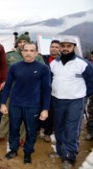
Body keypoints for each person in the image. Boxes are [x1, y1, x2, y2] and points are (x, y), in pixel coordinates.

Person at [0, 42, 51, 164]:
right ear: (22, 52)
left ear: (36, 52)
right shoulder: (14, 67)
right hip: (15, 104)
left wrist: (45, 109)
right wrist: (3, 103)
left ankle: (28, 152)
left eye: (32, 50)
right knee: (14, 129)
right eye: (26, 50)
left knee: (31, 130)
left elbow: (47, 89)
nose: (28, 53)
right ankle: (13, 149)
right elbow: (7, 86)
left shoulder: (43, 68)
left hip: (33, 105)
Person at [50, 37, 93, 169]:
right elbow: (49, 81)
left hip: (75, 101)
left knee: (71, 129)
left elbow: (91, 83)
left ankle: (69, 157)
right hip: (57, 100)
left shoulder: (83, 64)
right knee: (58, 127)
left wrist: (83, 96)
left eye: (69, 46)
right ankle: (60, 151)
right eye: (63, 45)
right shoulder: (53, 64)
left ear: (74, 47)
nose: (65, 48)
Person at [0, 33, 45, 144]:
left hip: (29, 92)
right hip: (12, 90)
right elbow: (3, 70)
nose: (22, 44)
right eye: (20, 42)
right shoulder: (10, 55)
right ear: (17, 43)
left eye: (25, 42)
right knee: (6, 114)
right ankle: (1, 134)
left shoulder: (37, 57)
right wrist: (3, 81)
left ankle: (22, 138)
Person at [40, 40, 60, 142]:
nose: (54, 48)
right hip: (42, 89)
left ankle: (48, 132)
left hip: (57, 90)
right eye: (52, 46)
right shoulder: (43, 58)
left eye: (56, 47)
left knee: (51, 112)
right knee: (40, 109)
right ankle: (38, 128)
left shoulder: (63, 60)